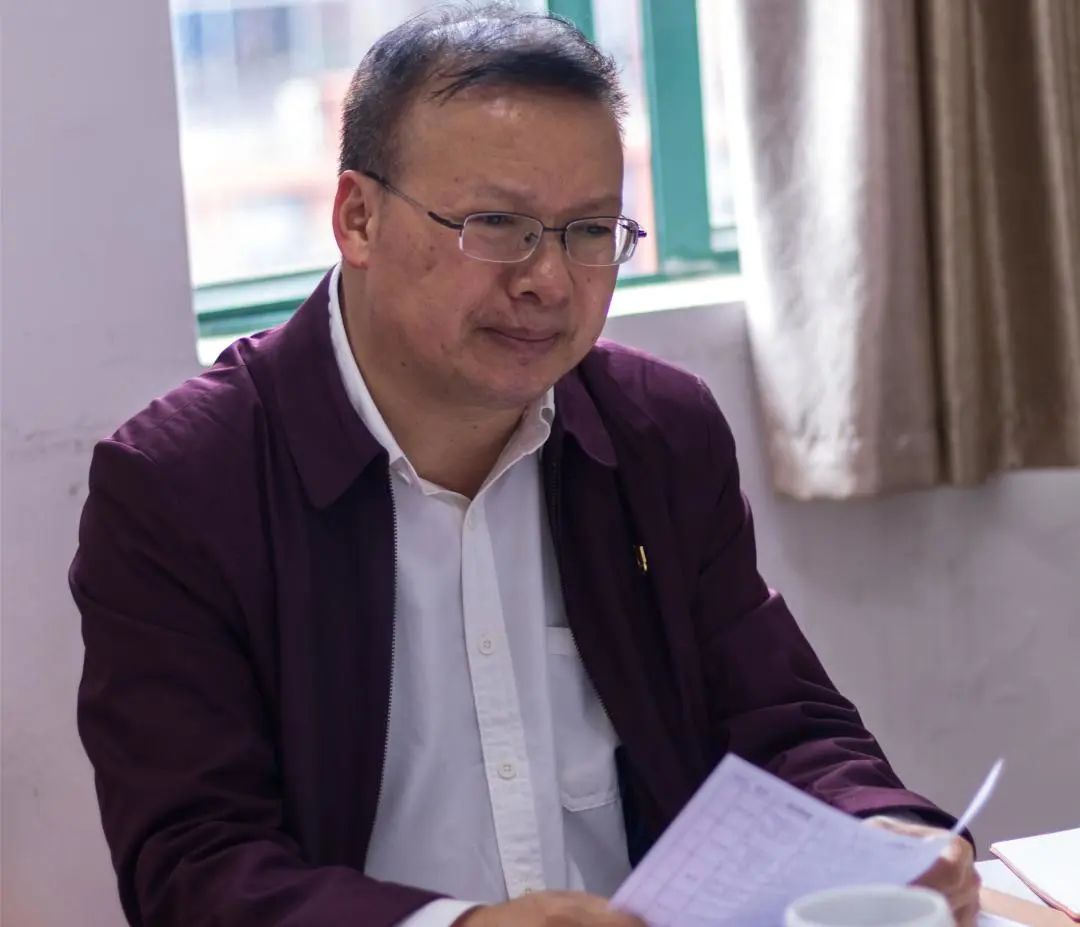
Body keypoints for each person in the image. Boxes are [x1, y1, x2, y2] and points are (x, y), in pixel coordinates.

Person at [71, 6, 980, 927]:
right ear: (357, 218)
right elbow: (195, 867)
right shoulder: (183, 486)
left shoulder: (657, 434)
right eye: (498, 224)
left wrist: (882, 829)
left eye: (589, 230)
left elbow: (780, 719)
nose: (548, 280)